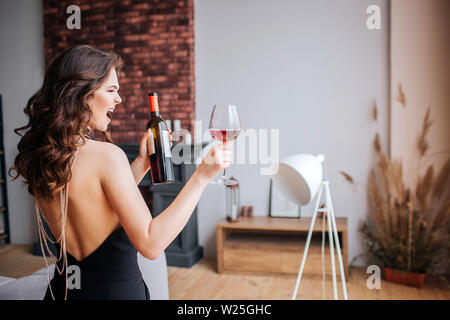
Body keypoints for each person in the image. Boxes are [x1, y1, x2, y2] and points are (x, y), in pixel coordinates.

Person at [9, 45, 232, 300]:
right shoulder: (107, 155)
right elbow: (151, 243)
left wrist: (141, 163)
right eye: (111, 90)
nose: (119, 99)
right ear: (83, 94)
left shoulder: (44, 157)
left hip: (65, 292)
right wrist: (202, 176)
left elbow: (98, 210)